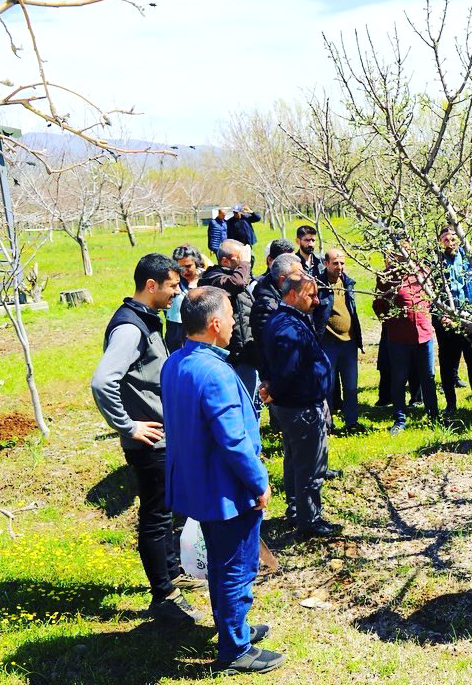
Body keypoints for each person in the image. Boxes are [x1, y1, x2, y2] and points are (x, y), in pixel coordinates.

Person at [161, 286, 284, 674]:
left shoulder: (176, 362)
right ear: (214, 324)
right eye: (231, 316)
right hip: (226, 490)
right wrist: (258, 482)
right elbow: (232, 442)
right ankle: (235, 649)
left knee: (221, 563)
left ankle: (235, 628)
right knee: (237, 567)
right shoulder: (214, 372)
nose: (236, 322)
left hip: (198, 485)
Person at [91, 253, 205, 625]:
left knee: (165, 512)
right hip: (149, 443)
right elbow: (103, 381)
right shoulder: (130, 328)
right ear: (151, 286)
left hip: (163, 439)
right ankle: (164, 596)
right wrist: (128, 426)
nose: (178, 291)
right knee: (155, 517)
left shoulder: (146, 320)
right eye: (173, 285)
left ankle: (172, 573)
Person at [261, 273, 342, 539]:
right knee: (309, 465)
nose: (316, 300)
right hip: (301, 408)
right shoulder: (287, 326)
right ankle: (310, 521)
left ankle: (297, 510)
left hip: (296, 405)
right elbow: (287, 371)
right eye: (311, 295)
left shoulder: (290, 319)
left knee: (296, 459)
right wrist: (274, 391)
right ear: (292, 295)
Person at [373, 245, 440, 434]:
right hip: (399, 339)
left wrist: (427, 319)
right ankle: (399, 419)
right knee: (399, 379)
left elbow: (432, 298)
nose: (405, 254)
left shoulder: (423, 272)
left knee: (428, 377)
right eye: (400, 251)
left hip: (424, 336)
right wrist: (391, 324)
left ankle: (433, 415)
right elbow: (378, 305)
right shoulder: (387, 277)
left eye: (409, 250)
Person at [435, 226, 472, 415]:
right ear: (440, 242)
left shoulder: (469, 260)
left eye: (453, 239)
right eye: (446, 240)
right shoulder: (436, 263)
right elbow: (429, 293)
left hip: (469, 321)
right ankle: (451, 404)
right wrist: (442, 316)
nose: (450, 243)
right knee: (447, 363)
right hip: (446, 322)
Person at [199, 240, 259, 403]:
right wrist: (245, 263)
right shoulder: (213, 278)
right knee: (236, 402)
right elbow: (236, 284)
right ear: (225, 261)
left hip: (247, 353)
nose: (244, 263)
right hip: (229, 356)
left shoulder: (236, 275)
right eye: (239, 258)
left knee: (252, 402)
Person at [313, 249, 363, 433]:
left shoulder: (348, 283)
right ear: (326, 264)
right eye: (335, 263)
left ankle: (352, 423)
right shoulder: (318, 285)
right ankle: (328, 425)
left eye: (342, 263)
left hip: (349, 344)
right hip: (328, 345)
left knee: (351, 387)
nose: (339, 267)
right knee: (328, 387)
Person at [165, 244, 205, 353]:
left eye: (188, 266)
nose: (184, 271)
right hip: (176, 328)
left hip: (200, 327)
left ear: (196, 263)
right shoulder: (171, 279)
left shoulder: (206, 278)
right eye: (180, 267)